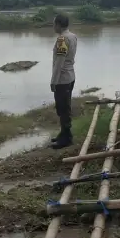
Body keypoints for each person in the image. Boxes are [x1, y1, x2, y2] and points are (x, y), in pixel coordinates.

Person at [50, 14, 78, 149]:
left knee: (63, 109)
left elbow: (59, 63)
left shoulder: (62, 39)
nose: (53, 26)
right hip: (70, 76)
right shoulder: (72, 36)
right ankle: (63, 134)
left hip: (62, 79)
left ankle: (66, 138)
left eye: (54, 24)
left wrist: (53, 81)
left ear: (59, 25)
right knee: (64, 107)